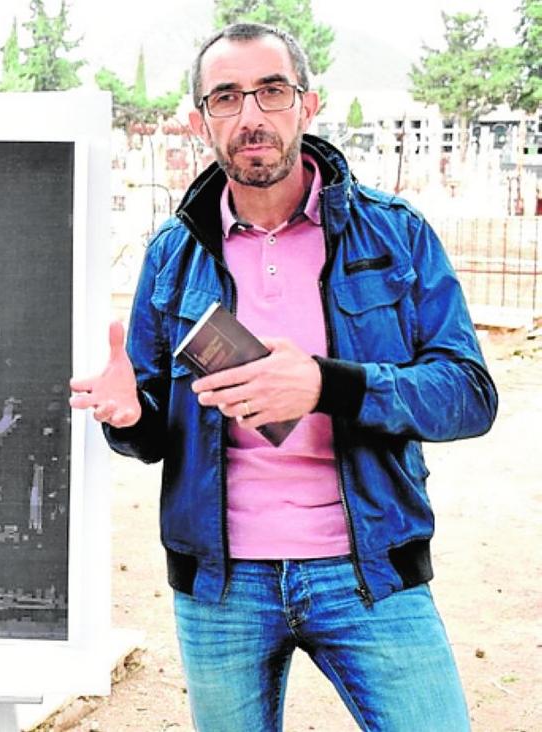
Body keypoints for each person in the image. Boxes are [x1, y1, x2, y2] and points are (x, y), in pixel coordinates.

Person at [70, 23, 497, 732]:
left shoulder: (395, 234)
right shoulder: (173, 255)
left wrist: (328, 387)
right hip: (221, 585)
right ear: (200, 119)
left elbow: (470, 394)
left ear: (308, 103)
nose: (251, 116)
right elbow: (152, 435)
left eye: (271, 91)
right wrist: (129, 417)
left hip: (370, 573)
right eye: (226, 98)